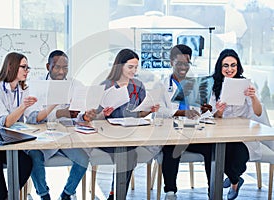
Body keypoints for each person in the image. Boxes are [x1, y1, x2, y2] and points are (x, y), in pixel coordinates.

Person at [0, 52, 54, 200]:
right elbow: (5, 122)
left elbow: (33, 117)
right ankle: (2, 196)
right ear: (11, 67)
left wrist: (52, 105)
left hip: (6, 144)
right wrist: (23, 107)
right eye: (24, 67)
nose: (27, 70)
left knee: (26, 163)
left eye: (27, 67)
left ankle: (8, 197)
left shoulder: (22, 89)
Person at [27, 50, 96, 200]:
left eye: (65, 68)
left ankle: (67, 194)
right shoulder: (36, 85)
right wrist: (59, 113)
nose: (61, 72)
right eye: (57, 67)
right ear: (48, 67)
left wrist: (84, 115)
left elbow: (81, 113)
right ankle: (44, 194)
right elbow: (32, 117)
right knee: (33, 157)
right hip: (42, 137)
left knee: (83, 159)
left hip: (66, 137)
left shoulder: (75, 84)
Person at [95, 48, 159, 200]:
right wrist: (103, 114)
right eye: (130, 67)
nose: (134, 71)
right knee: (127, 154)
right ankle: (116, 194)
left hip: (131, 135)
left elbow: (139, 113)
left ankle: (116, 194)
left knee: (129, 153)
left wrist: (149, 110)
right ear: (120, 66)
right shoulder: (105, 85)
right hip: (108, 136)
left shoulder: (138, 85)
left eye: (136, 67)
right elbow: (94, 118)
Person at [157, 44, 213, 200]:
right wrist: (181, 112)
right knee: (171, 149)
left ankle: (213, 191)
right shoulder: (162, 85)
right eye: (179, 63)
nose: (183, 67)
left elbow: (200, 111)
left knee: (212, 149)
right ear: (171, 62)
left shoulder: (195, 83)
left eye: (186, 63)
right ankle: (170, 192)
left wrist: (205, 109)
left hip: (194, 133)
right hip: (172, 133)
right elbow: (158, 109)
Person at [210, 49, 263, 200]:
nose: (229, 69)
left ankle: (233, 179)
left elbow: (258, 112)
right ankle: (235, 180)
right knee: (220, 154)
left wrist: (253, 98)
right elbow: (215, 117)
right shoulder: (215, 86)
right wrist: (220, 111)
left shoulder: (246, 84)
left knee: (239, 155)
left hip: (243, 132)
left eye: (233, 65)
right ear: (220, 68)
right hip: (222, 131)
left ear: (238, 66)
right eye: (225, 65)